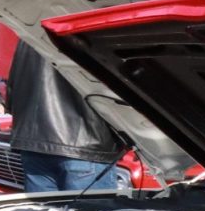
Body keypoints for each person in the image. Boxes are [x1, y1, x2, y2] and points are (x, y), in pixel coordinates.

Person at [7, 43, 124, 192]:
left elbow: (12, 91)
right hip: (86, 147)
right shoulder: (88, 30)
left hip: (33, 145)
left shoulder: (27, 36)